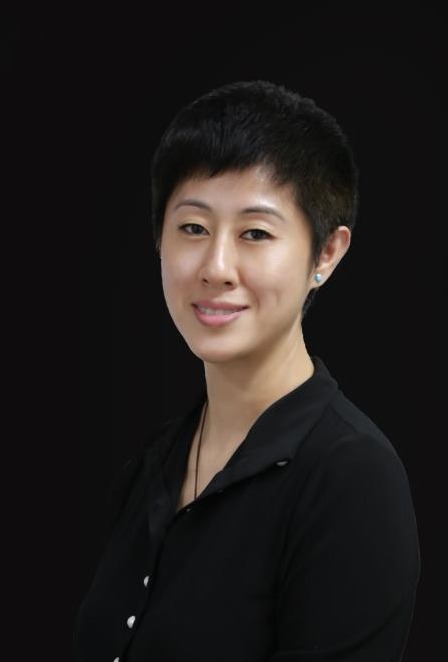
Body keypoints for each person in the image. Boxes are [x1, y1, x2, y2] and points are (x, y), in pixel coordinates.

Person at [74, 80, 420, 661]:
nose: (216, 267)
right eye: (193, 228)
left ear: (326, 254)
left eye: (255, 233)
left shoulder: (352, 481)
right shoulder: (154, 464)